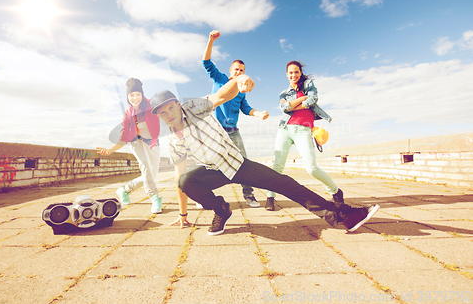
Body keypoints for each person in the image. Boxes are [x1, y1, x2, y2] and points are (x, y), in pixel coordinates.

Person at [149, 75, 379, 235]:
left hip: (237, 163)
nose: (168, 114)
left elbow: (220, 95)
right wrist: (182, 213)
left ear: (177, 105)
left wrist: (239, 80)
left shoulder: (193, 107)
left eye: (170, 107)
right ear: (158, 116)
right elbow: (180, 176)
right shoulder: (170, 139)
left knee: (286, 184)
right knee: (185, 180)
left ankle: (343, 216)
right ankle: (221, 209)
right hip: (213, 171)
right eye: (162, 112)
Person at [202, 30, 269, 208]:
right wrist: (210, 41)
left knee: (243, 163)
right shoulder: (220, 79)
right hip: (215, 131)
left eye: (242, 70)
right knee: (209, 164)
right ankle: (202, 196)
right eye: (236, 69)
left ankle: (249, 195)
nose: (239, 72)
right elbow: (206, 62)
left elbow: (246, 109)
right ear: (231, 71)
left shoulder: (241, 91)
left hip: (233, 132)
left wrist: (259, 113)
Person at [265, 61, 343, 211]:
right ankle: (270, 197)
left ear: (300, 73)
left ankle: (336, 192)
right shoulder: (284, 93)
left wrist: (293, 104)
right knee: (277, 166)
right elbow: (284, 108)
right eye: (290, 73)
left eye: (296, 72)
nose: (293, 75)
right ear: (286, 74)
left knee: (311, 168)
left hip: (303, 130)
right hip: (285, 129)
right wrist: (302, 99)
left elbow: (312, 100)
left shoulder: (308, 85)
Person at [96, 78, 163, 214]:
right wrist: (110, 150)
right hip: (136, 142)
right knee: (146, 167)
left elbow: (166, 110)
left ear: (142, 94)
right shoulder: (128, 114)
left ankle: (124, 190)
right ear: (127, 97)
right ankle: (155, 198)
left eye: (138, 94)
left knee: (151, 175)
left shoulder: (152, 104)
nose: (135, 98)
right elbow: (124, 137)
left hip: (153, 142)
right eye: (131, 95)